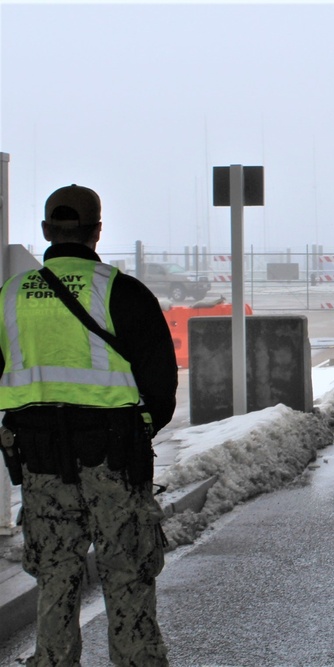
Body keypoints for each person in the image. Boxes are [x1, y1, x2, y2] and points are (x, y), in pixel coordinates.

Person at [0, 184, 178, 666]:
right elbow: (161, 385)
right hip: (114, 460)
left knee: (55, 573)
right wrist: (138, 428)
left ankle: (53, 661)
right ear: (97, 231)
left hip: (40, 462)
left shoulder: (10, 296)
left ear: (45, 232)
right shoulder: (123, 292)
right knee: (127, 570)